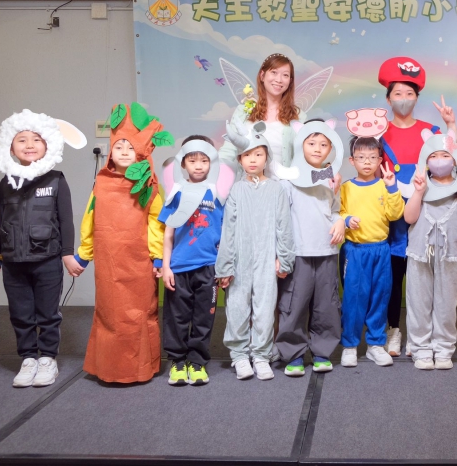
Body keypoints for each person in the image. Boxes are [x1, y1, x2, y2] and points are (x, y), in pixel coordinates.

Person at [0, 110, 86, 388]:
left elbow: (66, 220)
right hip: (13, 262)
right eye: (22, 140)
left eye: (36, 139)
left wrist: (67, 254)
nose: (29, 145)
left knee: (48, 313)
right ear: (10, 147)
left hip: (47, 260)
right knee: (20, 313)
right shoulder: (6, 183)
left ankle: (48, 359)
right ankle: (28, 358)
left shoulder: (56, 179)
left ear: (48, 144)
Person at [75, 102, 167, 384]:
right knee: (110, 313)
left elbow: (157, 222)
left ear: (140, 152)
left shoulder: (150, 186)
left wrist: (158, 256)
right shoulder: (101, 184)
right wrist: (84, 253)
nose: (125, 151)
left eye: (130, 147)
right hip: (108, 261)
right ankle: (111, 368)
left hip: (139, 262)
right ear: (110, 152)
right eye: (119, 146)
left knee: (140, 313)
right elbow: (90, 218)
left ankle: (140, 368)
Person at [377, 57, 457, 356]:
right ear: (388, 99)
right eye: (397, 93)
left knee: (425, 277)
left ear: (417, 98)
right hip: (388, 212)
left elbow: (453, 160)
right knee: (392, 275)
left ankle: (421, 336)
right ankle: (393, 330)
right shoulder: (377, 131)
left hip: (425, 212)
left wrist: (451, 125)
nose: (404, 99)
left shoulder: (432, 130)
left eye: (409, 93)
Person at [216, 121, 294, 381]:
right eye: (247, 154)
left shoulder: (276, 189)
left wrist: (284, 259)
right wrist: (225, 267)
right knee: (237, 307)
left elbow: (284, 226)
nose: (252, 159)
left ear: (266, 158)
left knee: (264, 307)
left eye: (258, 154)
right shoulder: (236, 190)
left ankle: (261, 355)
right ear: (239, 159)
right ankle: (239, 355)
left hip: (266, 258)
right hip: (240, 259)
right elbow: (228, 230)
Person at [275, 119, 344, 376]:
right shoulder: (288, 180)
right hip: (298, 253)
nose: (317, 148)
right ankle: (293, 353)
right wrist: (280, 255)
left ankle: (322, 352)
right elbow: (281, 220)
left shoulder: (332, 179)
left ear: (331, 148)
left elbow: (335, 209)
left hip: (327, 251)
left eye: (323, 144)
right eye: (311, 143)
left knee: (326, 305)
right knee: (294, 304)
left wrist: (339, 221)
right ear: (300, 144)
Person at [403, 132, 457, 370]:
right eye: (433, 156)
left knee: (446, 304)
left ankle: (443, 348)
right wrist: (418, 191)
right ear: (426, 160)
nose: (439, 160)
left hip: (449, 255)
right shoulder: (420, 184)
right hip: (419, 253)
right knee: (418, 303)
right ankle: (421, 349)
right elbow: (409, 217)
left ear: (454, 159)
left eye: (444, 155)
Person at [159, 136, 226, 386]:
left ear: (212, 162)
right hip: (179, 268)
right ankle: (177, 362)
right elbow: (168, 233)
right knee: (176, 318)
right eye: (192, 160)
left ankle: (197, 363)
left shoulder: (218, 193)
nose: (198, 165)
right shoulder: (176, 192)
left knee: (203, 318)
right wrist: (166, 266)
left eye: (204, 160)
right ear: (183, 163)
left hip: (209, 267)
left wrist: (224, 266)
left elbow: (226, 232)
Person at [339, 136, 404, 368]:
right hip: (355, 251)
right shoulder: (346, 187)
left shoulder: (384, 186)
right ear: (352, 160)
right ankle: (349, 345)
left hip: (381, 250)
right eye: (361, 157)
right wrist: (346, 219)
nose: (367, 162)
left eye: (372, 157)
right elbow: (337, 212)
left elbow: (395, 214)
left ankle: (375, 344)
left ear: (379, 160)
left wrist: (392, 187)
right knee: (354, 299)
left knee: (380, 297)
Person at [219, 53, 305, 174]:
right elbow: (228, 151)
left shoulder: (299, 116)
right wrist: (214, 171)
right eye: (274, 72)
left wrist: (326, 168)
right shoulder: (243, 111)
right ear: (262, 75)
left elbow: (306, 155)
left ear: (290, 81)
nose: (279, 79)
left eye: (285, 75)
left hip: (283, 184)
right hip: (247, 183)